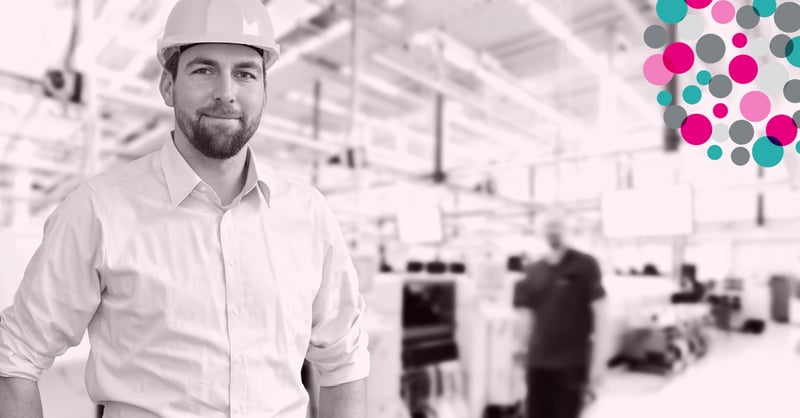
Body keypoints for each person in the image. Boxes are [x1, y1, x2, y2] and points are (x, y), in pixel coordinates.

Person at [0, 0, 370, 416]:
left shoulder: (308, 216)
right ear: (167, 86)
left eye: (245, 73)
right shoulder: (100, 209)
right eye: (203, 69)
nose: (226, 93)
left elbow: (345, 360)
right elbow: (15, 356)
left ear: (264, 89)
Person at [513, 212, 609, 418]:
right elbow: (526, 315)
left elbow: (601, 314)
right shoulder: (532, 271)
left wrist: (599, 362)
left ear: (567, 229)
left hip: (571, 365)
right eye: (547, 226)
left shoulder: (586, 265)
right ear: (540, 231)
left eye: (556, 225)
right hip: (536, 364)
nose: (552, 230)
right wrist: (519, 348)